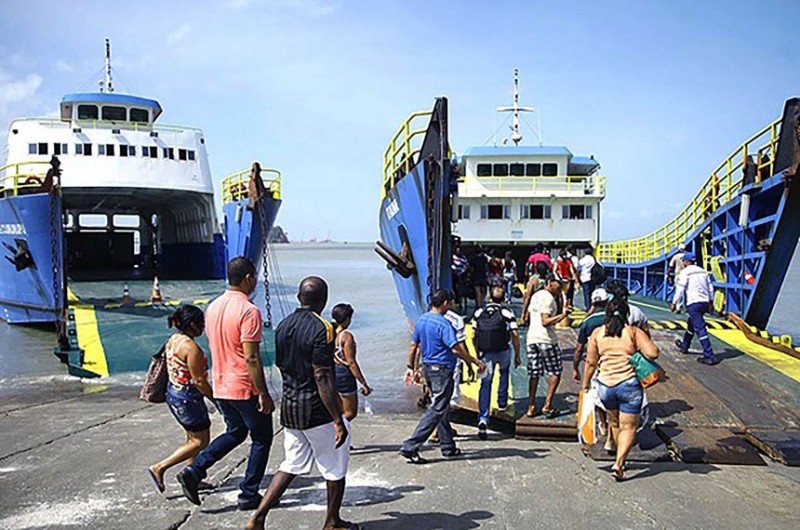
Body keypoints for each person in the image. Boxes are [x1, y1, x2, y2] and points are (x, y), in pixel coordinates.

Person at [247, 277, 356, 530]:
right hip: (316, 411)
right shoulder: (324, 328)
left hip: (290, 408)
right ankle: (332, 522)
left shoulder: (283, 325)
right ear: (324, 300)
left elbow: (282, 364)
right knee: (335, 466)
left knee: (292, 464)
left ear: (299, 298)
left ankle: (258, 517)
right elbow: (322, 375)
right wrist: (338, 420)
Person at [177, 257, 274, 511]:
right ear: (249, 279)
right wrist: (263, 393)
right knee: (262, 437)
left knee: (236, 431)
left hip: (220, 384)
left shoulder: (213, 307)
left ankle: (195, 470)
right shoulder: (249, 311)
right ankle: (248, 493)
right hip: (244, 385)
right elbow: (251, 356)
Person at [400, 290, 483, 464]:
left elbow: (414, 345)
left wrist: (411, 367)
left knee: (441, 407)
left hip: (428, 369)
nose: (451, 306)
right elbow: (455, 349)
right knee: (437, 408)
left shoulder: (422, 320)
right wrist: (473, 361)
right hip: (442, 371)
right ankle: (411, 445)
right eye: (450, 302)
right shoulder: (444, 324)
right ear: (445, 302)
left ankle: (448, 446)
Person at [582, 298, 660, 481]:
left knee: (614, 423)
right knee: (629, 426)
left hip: (605, 386)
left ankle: (618, 458)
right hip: (628, 385)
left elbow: (591, 363)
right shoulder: (633, 332)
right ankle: (619, 463)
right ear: (626, 314)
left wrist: (585, 386)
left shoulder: (598, 333)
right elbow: (653, 352)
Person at [148, 305, 215, 494]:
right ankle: (160, 467)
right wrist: (215, 400)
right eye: (201, 323)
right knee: (201, 441)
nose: (203, 327)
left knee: (192, 437)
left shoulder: (174, 340)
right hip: (187, 398)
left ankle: (193, 476)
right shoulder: (190, 347)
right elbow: (199, 380)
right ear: (193, 325)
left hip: (174, 394)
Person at [471, 287, 521, 440]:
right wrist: (518, 355)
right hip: (503, 350)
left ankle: (483, 418)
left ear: (489, 298)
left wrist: (476, 354)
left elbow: (473, 335)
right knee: (504, 373)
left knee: (485, 384)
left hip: (485, 354)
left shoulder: (479, 313)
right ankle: (502, 402)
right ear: (504, 298)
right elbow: (515, 334)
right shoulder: (507, 313)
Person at [525, 273, 571, 418]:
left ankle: (531, 406)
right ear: (550, 282)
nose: (560, 287)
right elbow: (545, 321)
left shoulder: (536, 295)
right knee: (555, 371)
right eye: (558, 283)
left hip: (532, 338)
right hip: (546, 339)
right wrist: (563, 315)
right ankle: (547, 405)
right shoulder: (548, 298)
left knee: (534, 373)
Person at [671, 252, 720, 365]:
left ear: (687, 262)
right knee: (691, 324)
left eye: (683, 261)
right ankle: (685, 346)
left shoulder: (685, 272)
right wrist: (711, 303)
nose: (683, 263)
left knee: (700, 328)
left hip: (693, 303)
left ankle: (709, 355)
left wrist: (674, 303)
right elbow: (710, 289)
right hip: (704, 303)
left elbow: (680, 289)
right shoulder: (703, 271)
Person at [332, 303, 372, 422]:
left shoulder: (330, 333)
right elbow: (351, 362)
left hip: (334, 371)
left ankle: (335, 434)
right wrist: (363, 383)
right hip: (344, 374)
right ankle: (337, 434)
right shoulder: (346, 336)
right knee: (350, 412)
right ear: (347, 319)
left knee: (339, 409)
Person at [572, 288, 608, 384]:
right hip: (616, 361)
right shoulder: (616, 318)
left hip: (595, 363)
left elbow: (579, 349)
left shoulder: (588, 322)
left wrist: (575, 368)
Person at [521, 261, 550, 326]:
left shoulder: (533, 280)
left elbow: (528, 297)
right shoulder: (549, 282)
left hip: (533, 305)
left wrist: (523, 312)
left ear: (536, 270)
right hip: (544, 306)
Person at [668, 245, 688, 311]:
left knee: (679, 291)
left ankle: (678, 306)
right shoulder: (687, 256)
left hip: (678, 275)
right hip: (687, 275)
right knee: (687, 291)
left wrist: (667, 273)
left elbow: (671, 266)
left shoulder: (676, 256)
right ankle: (687, 306)